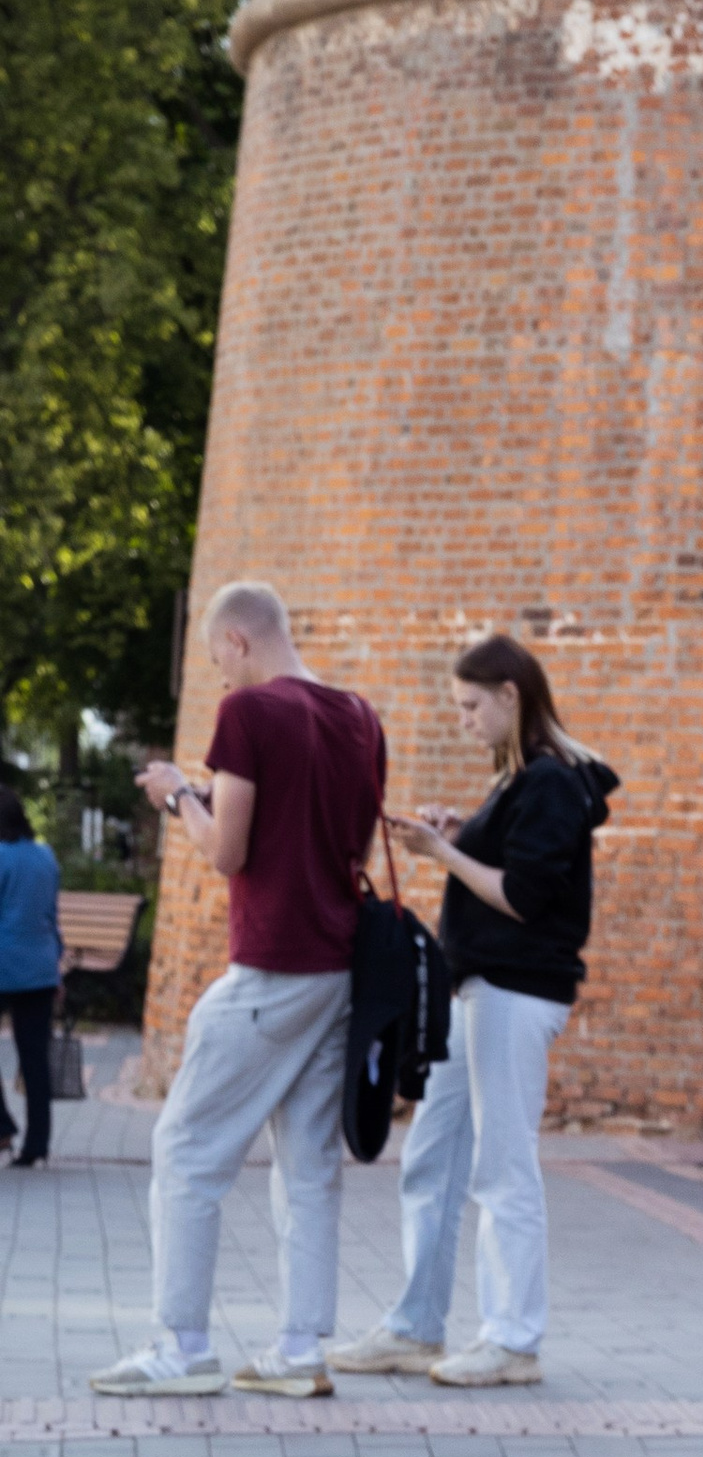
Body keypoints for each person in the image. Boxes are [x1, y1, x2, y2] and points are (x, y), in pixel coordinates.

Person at [95, 581, 385, 1397]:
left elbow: (227, 851)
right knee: (309, 1165)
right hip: (339, 966)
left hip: (270, 964)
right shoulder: (360, 717)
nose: (220, 676)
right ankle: (300, 1349)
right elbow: (355, 850)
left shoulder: (249, 713)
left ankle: (182, 1345)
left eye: (217, 659)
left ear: (237, 641)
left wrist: (179, 795)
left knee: (186, 1148)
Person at [333, 635, 617, 1388]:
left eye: (470, 706)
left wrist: (442, 853)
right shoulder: (520, 781)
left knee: (503, 1165)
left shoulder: (551, 782)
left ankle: (513, 1340)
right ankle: (415, 1326)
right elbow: (514, 865)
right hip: (478, 991)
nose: (462, 720)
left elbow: (522, 897)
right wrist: (463, 835)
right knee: (431, 1155)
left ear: (510, 696)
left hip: (515, 993)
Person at [0, 789, 62, 1169]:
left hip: (4, 965)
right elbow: (52, 915)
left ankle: (3, 1126)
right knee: (35, 1059)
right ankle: (37, 1144)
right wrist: (56, 966)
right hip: (40, 969)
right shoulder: (45, 856)